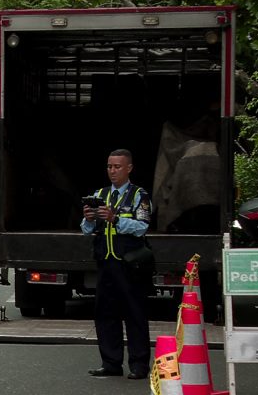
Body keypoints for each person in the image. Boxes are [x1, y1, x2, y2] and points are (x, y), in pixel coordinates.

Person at [82, 149, 153, 380]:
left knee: (135, 313)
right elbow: (85, 230)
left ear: (129, 168)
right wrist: (90, 219)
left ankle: (139, 365)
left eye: (118, 167)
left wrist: (116, 219)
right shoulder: (100, 193)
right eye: (110, 166)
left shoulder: (138, 195)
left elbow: (142, 226)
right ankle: (111, 363)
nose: (113, 171)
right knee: (105, 314)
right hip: (106, 263)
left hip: (130, 265)